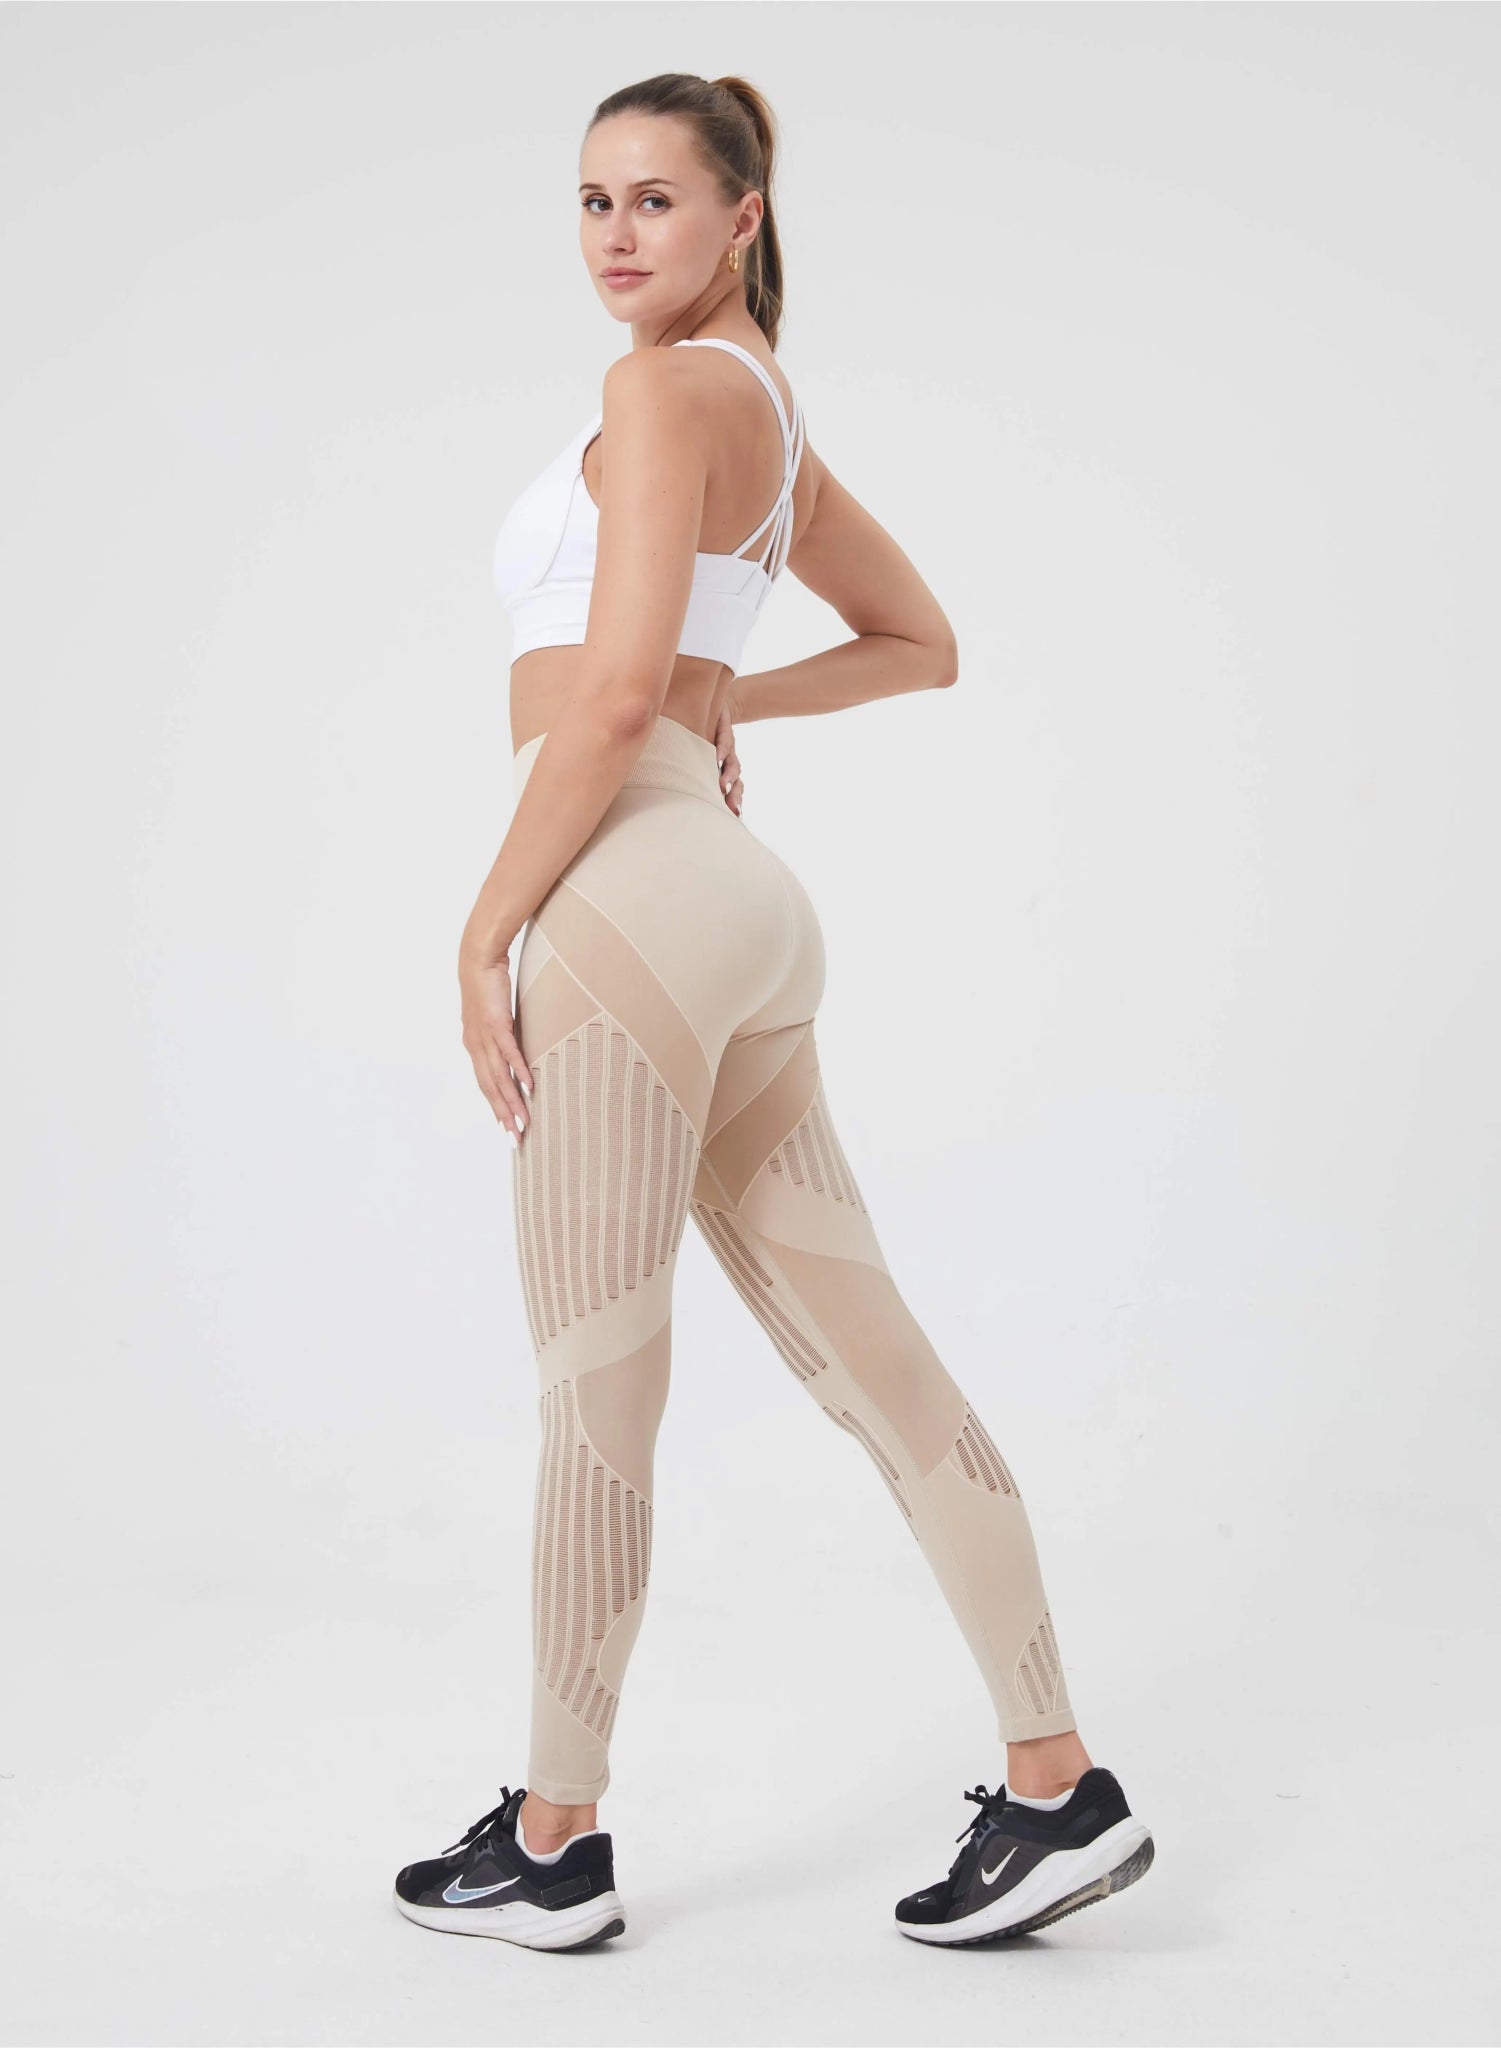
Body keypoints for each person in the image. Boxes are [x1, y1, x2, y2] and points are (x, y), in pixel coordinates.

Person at [392, 70, 1152, 1954]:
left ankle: (554, 1840)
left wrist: (485, 926)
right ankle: (1057, 1784)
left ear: (742, 216)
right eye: (590, 201)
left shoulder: (660, 391)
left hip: (622, 911)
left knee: (596, 1393)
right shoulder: (771, 415)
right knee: (872, 1362)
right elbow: (919, 645)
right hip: (735, 910)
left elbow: (610, 692)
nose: (614, 234)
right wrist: (734, 706)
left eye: (654, 199)